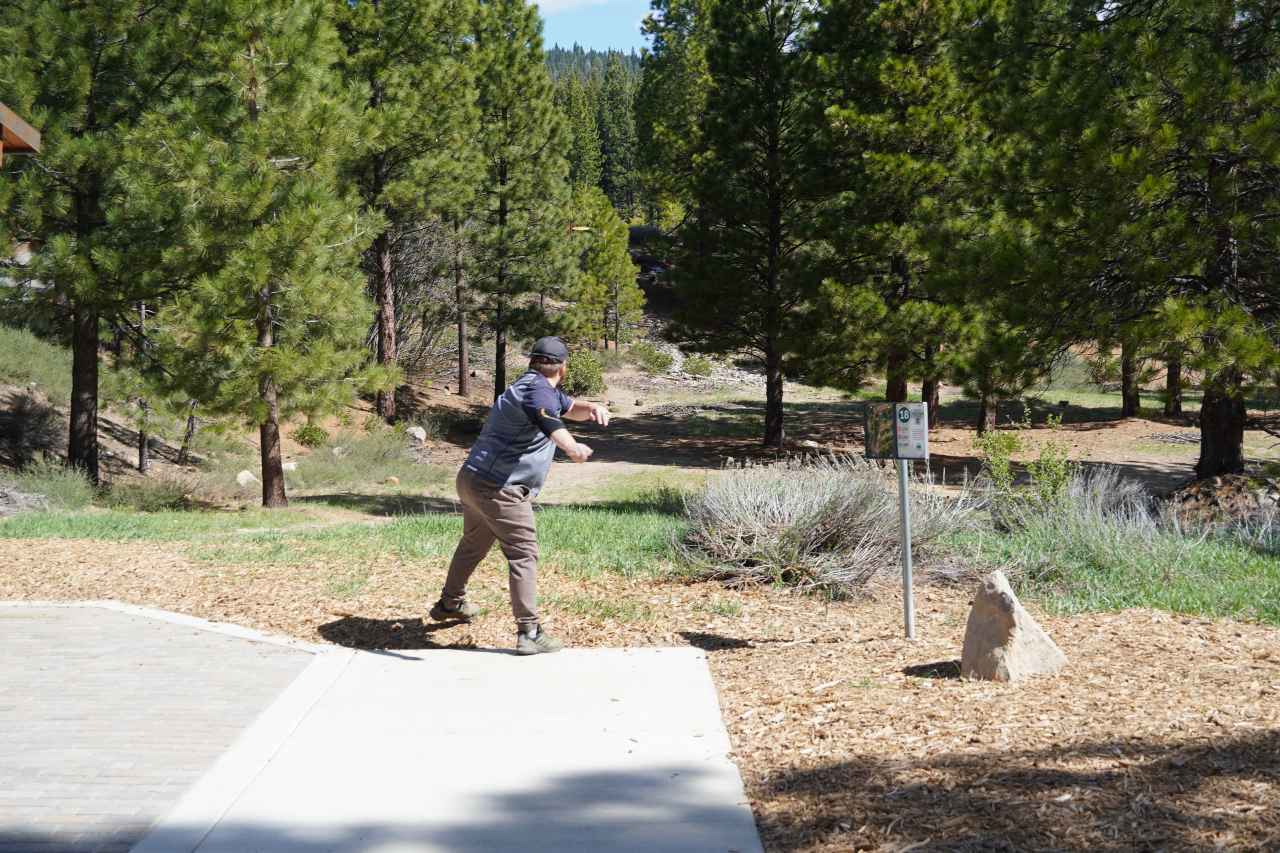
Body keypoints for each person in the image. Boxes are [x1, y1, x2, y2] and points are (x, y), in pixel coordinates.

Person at [429, 336, 610, 655]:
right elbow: (548, 419)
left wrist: (593, 407)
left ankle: (450, 603)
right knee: (523, 553)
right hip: (500, 488)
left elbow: (568, 409)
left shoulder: (533, 386)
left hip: (473, 478)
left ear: (533, 362)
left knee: (473, 545)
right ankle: (530, 632)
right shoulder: (539, 392)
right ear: (563, 367)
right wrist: (573, 448)